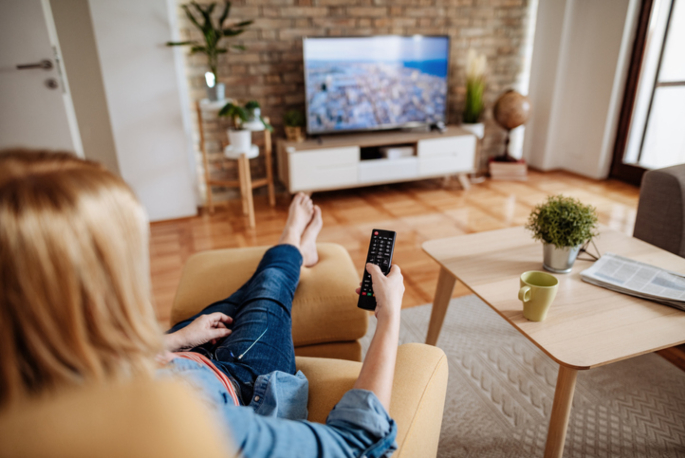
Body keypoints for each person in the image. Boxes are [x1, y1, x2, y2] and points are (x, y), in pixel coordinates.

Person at [0, 149, 405, 458]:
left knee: (241, 297)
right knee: (268, 290)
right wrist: (388, 317)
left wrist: (174, 342)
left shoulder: (33, 389)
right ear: (90, 299)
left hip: (176, 351)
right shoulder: (170, 426)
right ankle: (291, 249)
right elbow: (359, 443)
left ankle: (293, 249)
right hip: (237, 378)